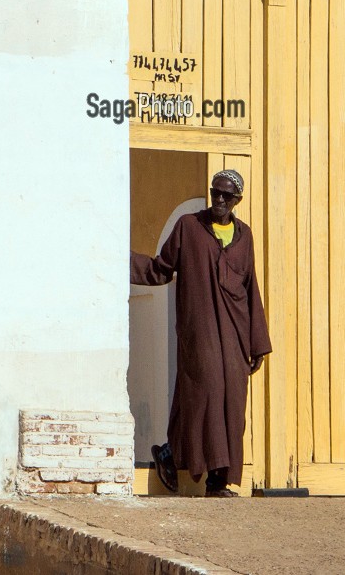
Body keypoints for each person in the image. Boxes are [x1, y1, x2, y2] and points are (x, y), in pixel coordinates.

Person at [130, 169, 271, 497]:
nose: (219, 200)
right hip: (201, 331)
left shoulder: (244, 236)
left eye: (226, 195)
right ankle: (171, 453)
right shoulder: (188, 228)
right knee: (204, 396)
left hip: (235, 338)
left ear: (237, 200)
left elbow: (251, 289)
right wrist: (117, 260)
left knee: (232, 405)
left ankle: (217, 483)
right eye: (215, 192)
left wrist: (258, 343)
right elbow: (160, 269)